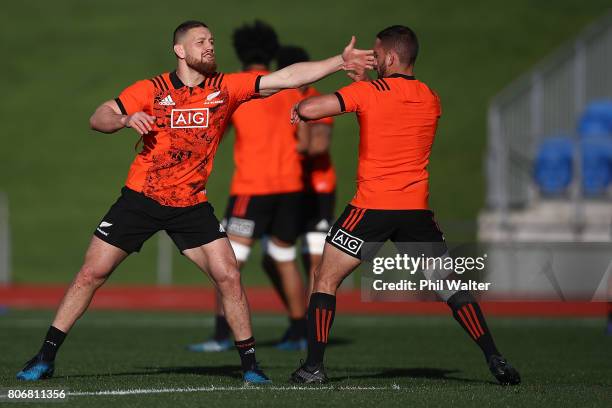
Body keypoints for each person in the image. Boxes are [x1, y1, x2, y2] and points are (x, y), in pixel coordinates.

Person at [15, 20, 374, 384]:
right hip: (140, 199)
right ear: (180, 51)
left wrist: (337, 62)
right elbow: (99, 117)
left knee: (229, 275)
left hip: (191, 205)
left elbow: (287, 77)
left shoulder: (226, 87)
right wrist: (125, 118)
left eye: (212, 41)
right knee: (91, 275)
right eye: (200, 41)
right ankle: (45, 356)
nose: (209, 47)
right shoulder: (151, 89)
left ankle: (250, 366)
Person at [289, 25, 521, 386]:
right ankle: (495, 357)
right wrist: (366, 83)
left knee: (325, 279)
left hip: (371, 207)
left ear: (392, 57)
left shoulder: (369, 91)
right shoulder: (431, 97)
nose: (375, 58)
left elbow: (310, 108)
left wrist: (344, 86)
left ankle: (314, 367)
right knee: (449, 286)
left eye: (377, 54)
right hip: (415, 211)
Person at [187, 21, 309, 353]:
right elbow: (306, 142)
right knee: (284, 257)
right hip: (291, 189)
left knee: (229, 262)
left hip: (251, 190)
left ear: (240, 54)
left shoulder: (238, 92)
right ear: (271, 54)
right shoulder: (290, 92)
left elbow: (210, 133)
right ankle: (299, 332)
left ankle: (221, 334)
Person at [275, 45, 336, 298]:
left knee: (315, 262)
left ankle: (310, 329)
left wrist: (292, 145)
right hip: (285, 188)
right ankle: (298, 323)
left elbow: (319, 145)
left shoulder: (316, 101)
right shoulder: (275, 100)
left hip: (317, 189)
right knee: (276, 255)